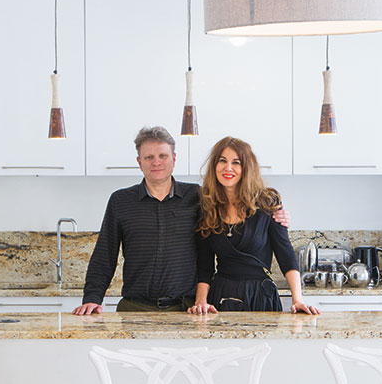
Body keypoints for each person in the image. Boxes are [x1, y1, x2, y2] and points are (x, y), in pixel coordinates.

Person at [73, 125, 291, 315]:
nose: (156, 162)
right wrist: (92, 298)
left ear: (173, 159)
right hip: (135, 307)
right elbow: (104, 254)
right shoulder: (121, 201)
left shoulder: (199, 198)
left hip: (187, 309)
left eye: (163, 156)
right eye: (149, 157)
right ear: (139, 162)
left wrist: (275, 214)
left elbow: (236, 210)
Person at [188, 136, 319, 316]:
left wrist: (298, 300)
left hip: (260, 296)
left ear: (246, 168)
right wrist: (201, 301)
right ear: (214, 167)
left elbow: (285, 253)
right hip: (221, 298)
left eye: (236, 162)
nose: (228, 168)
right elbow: (205, 265)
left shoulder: (267, 202)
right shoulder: (207, 207)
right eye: (222, 161)